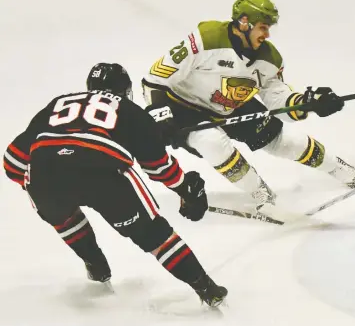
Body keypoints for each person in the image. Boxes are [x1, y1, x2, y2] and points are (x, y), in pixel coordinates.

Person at [2, 63, 227, 307]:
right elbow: (158, 167)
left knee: (62, 217)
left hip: (45, 173)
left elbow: (12, 160)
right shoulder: (129, 109)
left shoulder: (59, 103)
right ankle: (206, 288)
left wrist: (39, 186)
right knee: (155, 236)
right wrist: (187, 190)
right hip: (102, 177)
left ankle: (95, 265)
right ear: (124, 90)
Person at [141, 0, 355, 217]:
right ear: (244, 22)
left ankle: (336, 167)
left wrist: (308, 103)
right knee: (213, 144)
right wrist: (159, 113)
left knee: (287, 141)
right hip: (183, 106)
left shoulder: (270, 59)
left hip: (231, 104)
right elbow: (155, 78)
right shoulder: (206, 38)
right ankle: (258, 190)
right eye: (263, 27)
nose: (267, 34)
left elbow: (279, 100)